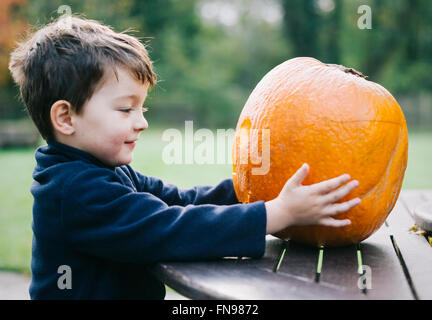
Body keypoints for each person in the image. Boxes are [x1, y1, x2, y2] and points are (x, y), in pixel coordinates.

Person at [8, 16, 361, 299]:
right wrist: (275, 214)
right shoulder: (74, 192)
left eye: (142, 108)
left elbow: (180, 202)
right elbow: (169, 230)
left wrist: (254, 190)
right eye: (125, 109)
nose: (142, 122)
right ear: (66, 118)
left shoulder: (104, 171)